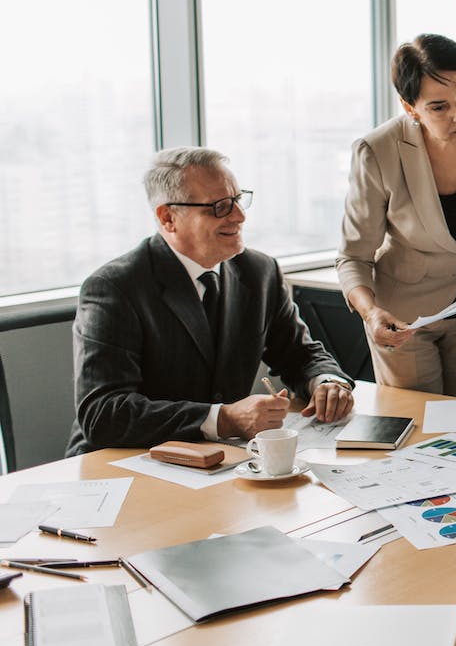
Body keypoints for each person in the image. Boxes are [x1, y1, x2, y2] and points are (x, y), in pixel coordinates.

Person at [67, 148, 354, 456]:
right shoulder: (115, 287)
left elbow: (299, 353)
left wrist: (326, 381)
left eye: (238, 200)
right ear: (168, 218)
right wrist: (222, 419)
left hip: (220, 462)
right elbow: (103, 413)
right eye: (219, 207)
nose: (240, 216)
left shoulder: (259, 272)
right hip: (123, 465)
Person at [337, 33, 456, 398]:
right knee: (417, 429)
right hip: (404, 319)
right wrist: (371, 313)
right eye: (438, 107)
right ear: (410, 108)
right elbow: (353, 256)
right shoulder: (377, 151)